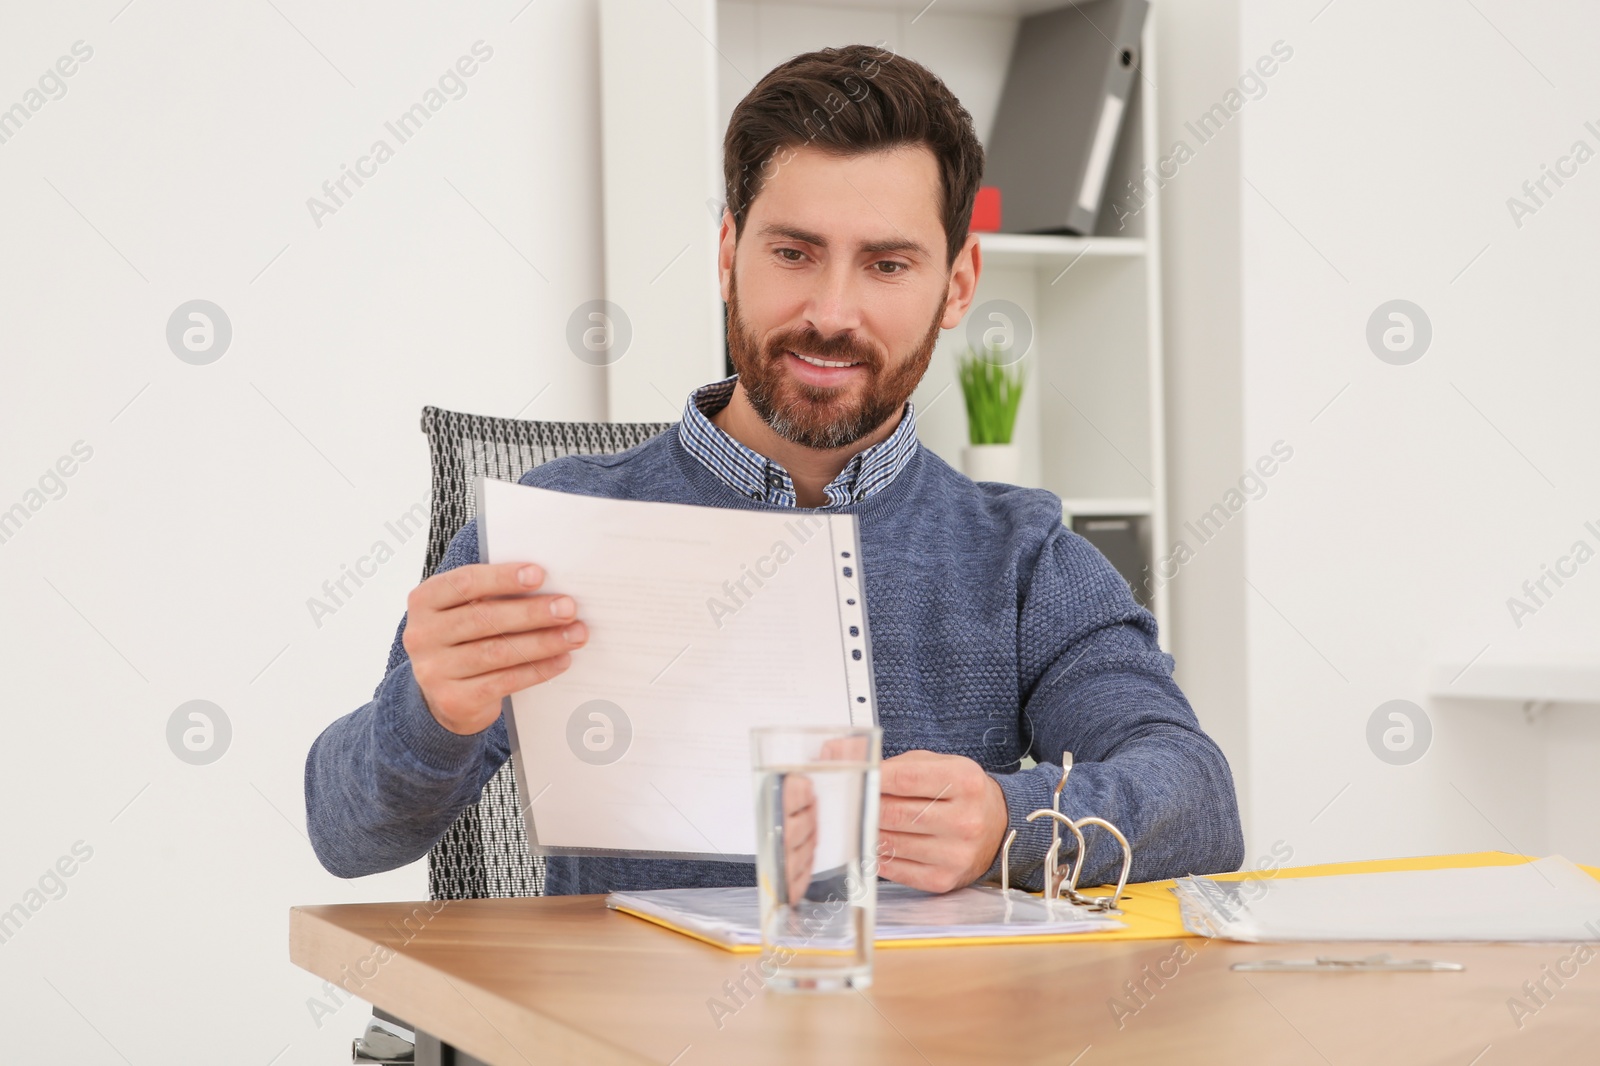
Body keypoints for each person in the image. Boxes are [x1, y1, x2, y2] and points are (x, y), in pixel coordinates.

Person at [305, 43, 1243, 897]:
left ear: (958, 284)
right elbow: (347, 832)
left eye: (886, 264)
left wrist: (1013, 821)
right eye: (794, 252)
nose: (831, 312)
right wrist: (430, 713)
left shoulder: (1023, 557)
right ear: (727, 255)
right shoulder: (554, 533)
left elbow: (1198, 798)